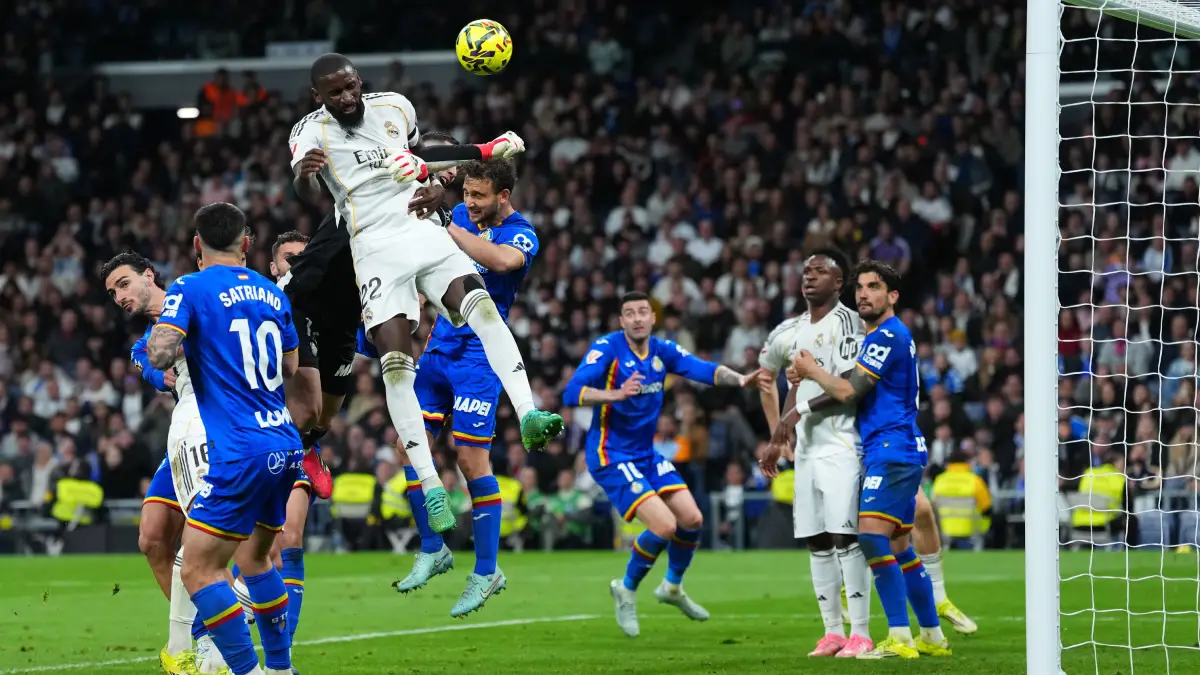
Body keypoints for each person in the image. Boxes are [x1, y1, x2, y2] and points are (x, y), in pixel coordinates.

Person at [289, 52, 562, 533]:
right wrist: (305, 175)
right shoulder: (309, 131)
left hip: (422, 230)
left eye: (352, 86)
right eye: (336, 92)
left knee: (481, 307)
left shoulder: (395, 106)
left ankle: (529, 412)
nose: (348, 97)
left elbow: (423, 160)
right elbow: (309, 191)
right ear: (319, 97)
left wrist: (470, 159)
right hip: (373, 250)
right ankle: (432, 487)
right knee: (397, 368)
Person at [146, 202, 304, 675]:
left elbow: (159, 353)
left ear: (197, 245)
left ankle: (246, 671)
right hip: (283, 440)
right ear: (247, 244)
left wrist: (169, 345)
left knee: (196, 568)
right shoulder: (273, 294)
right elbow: (292, 367)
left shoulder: (189, 287)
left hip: (237, 448)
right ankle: (279, 669)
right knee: (255, 561)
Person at [771, 260, 950, 659]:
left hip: (891, 448)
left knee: (869, 537)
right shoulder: (887, 335)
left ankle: (899, 637)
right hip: (896, 447)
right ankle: (933, 636)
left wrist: (813, 370)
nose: (864, 294)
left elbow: (850, 391)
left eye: (874, 287)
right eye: (860, 288)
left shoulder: (886, 335)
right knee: (900, 546)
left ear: (893, 296)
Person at [561, 291, 766, 637]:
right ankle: (625, 588)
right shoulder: (608, 348)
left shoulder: (662, 350)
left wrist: (741, 379)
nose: (638, 318)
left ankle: (671, 587)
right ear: (622, 321)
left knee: (692, 519)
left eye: (644, 312)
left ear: (652, 318)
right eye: (630, 313)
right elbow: (571, 393)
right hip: (611, 454)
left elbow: (702, 369)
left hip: (646, 453)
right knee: (664, 526)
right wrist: (615, 394)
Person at [389, 156, 538, 617]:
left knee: (471, 459)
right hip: (438, 349)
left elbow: (500, 260)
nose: (469, 203)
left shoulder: (521, 232)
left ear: (503, 197)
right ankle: (434, 548)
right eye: (466, 194)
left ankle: (487, 570)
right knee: (408, 445)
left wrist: (446, 227)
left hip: (480, 357)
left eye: (479, 197)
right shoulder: (456, 214)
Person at [103, 252, 252, 675]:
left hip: (216, 427)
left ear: (148, 276)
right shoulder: (146, 340)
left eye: (124, 283)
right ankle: (207, 633)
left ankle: (216, 633)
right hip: (184, 437)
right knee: (151, 539)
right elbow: (147, 363)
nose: (119, 296)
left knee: (202, 539)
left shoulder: (195, 299)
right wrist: (157, 374)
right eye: (113, 292)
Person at [274, 184, 444, 501]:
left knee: (325, 413)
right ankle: (272, 469)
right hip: (305, 308)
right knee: (308, 405)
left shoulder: (397, 227)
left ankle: (305, 450)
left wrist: (412, 289)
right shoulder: (355, 203)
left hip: (343, 320)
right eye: (288, 258)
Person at [756, 249, 874, 658]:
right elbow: (792, 380)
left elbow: (846, 383)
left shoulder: (847, 321)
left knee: (846, 535)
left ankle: (860, 632)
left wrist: (794, 414)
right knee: (817, 540)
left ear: (839, 283)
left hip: (841, 442)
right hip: (806, 446)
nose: (810, 277)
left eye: (821, 271)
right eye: (806, 270)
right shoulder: (797, 328)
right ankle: (832, 632)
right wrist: (778, 434)